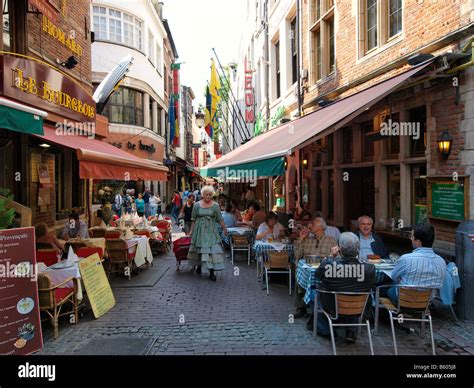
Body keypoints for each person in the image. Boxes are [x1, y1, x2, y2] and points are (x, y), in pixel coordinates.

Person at [315, 232, 376, 343]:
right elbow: (371, 285)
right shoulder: (369, 269)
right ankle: (351, 331)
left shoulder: (329, 264)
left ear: (340, 250)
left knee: (316, 289)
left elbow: (317, 276)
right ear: (358, 249)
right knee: (355, 293)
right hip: (358, 308)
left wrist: (330, 257)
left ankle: (326, 330)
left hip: (333, 306)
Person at [388, 223, 447, 304]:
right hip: (427, 302)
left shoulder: (406, 259)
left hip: (404, 299)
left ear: (418, 242)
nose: (411, 239)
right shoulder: (441, 261)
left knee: (388, 288)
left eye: (412, 236)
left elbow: (394, 276)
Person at [293, 216, 338, 320]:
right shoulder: (307, 240)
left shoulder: (331, 241)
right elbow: (297, 255)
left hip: (323, 272)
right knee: (299, 273)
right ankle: (301, 308)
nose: (310, 225)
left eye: (313, 223)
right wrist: (301, 238)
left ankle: (318, 308)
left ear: (320, 227)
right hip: (307, 270)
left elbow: (336, 258)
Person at [188, 185, 228, 281]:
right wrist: (191, 231)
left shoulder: (215, 206)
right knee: (199, 249)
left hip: (211, 231)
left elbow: (220, 219)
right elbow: (193, 219)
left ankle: (211, 271)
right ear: (202, 195)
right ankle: (199, 265)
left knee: (212, 250)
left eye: (210, 195)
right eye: (207, 194)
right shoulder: (197, 205)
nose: (208, 196)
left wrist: (224, 229)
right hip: (199, 230)